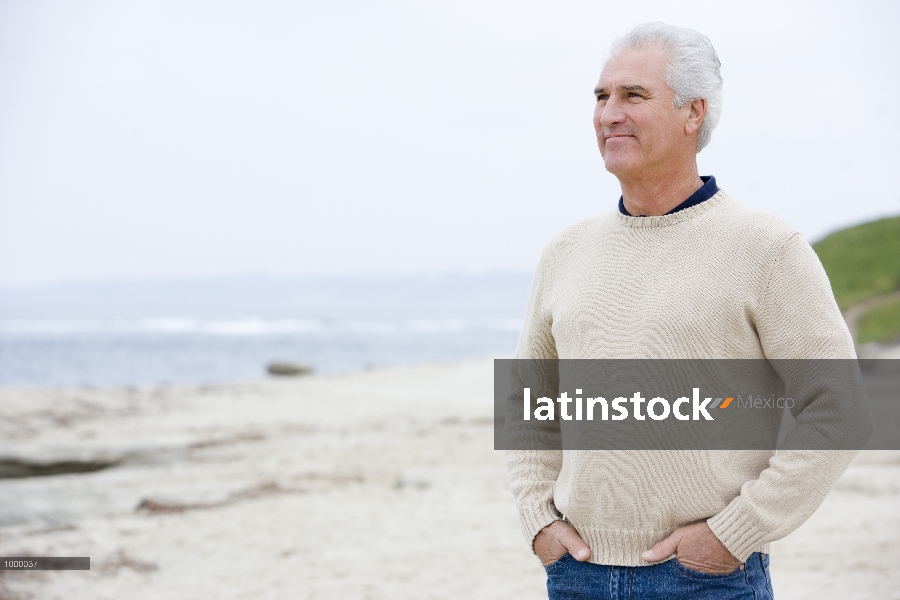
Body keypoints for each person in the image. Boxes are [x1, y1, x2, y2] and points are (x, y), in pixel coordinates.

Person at [505, 22, 868, 599]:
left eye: (633, 96)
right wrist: (538, 521)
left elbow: (840, 407)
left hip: (705, 579)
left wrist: (734, 533)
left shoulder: (765, 247)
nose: (608, 115)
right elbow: (529, 402)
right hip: (575, 575)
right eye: (601, 97)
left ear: (693, 113)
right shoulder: (565, 251)